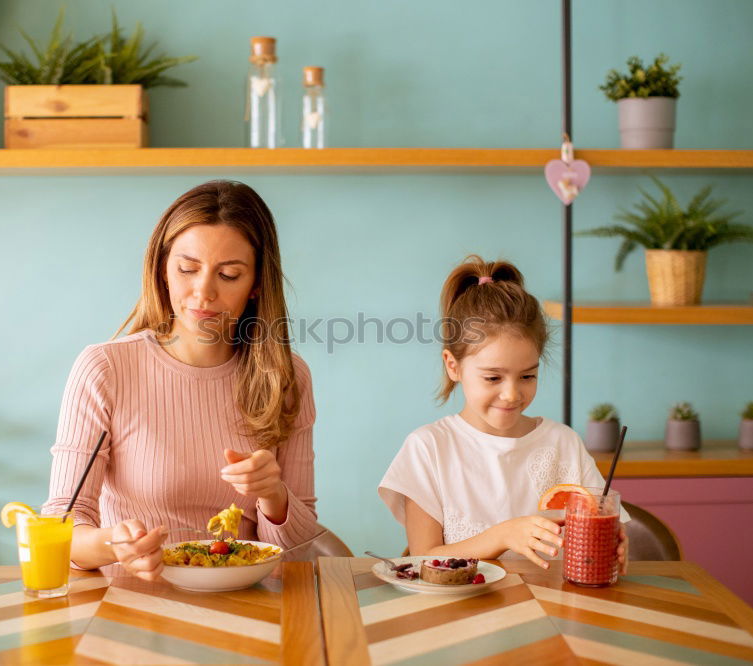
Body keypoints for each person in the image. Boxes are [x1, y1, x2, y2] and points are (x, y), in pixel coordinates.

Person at [42, 180, 319, 581]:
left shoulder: (287, 378)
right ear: (163, 270)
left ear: (257, 284)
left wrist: (274, 497)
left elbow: (300, 551)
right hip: (134, 606)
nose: (202, 292)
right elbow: (60, 527)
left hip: (249, 609)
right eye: (187, 269)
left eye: (228, 275)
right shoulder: (104, 368)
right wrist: (115, 544)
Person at [378, 255, 628, 570]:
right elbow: (424, 557)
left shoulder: (563, 443)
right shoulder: (428, 448)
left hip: (553, 611)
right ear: (453, 366)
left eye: (527, 376)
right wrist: (503, 535)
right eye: (493, 378)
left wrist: (615, 539)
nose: (511, 394)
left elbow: (600, 517)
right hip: (461, 616)